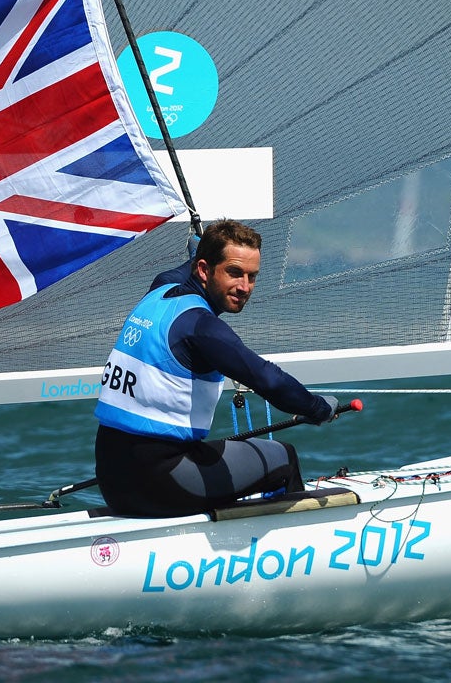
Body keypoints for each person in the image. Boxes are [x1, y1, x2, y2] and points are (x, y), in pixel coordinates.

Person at [94, 219, 337, 517]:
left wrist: (207, 243)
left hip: (112, 477)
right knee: (282, 457)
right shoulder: (203, 328)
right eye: (234, 273)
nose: (244, 287)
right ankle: (288, 551)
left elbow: (190, 263)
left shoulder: (160, 289)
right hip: (161, 483)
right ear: (204, 270)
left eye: (252, 276)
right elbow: (267, 379)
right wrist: (318, 408)